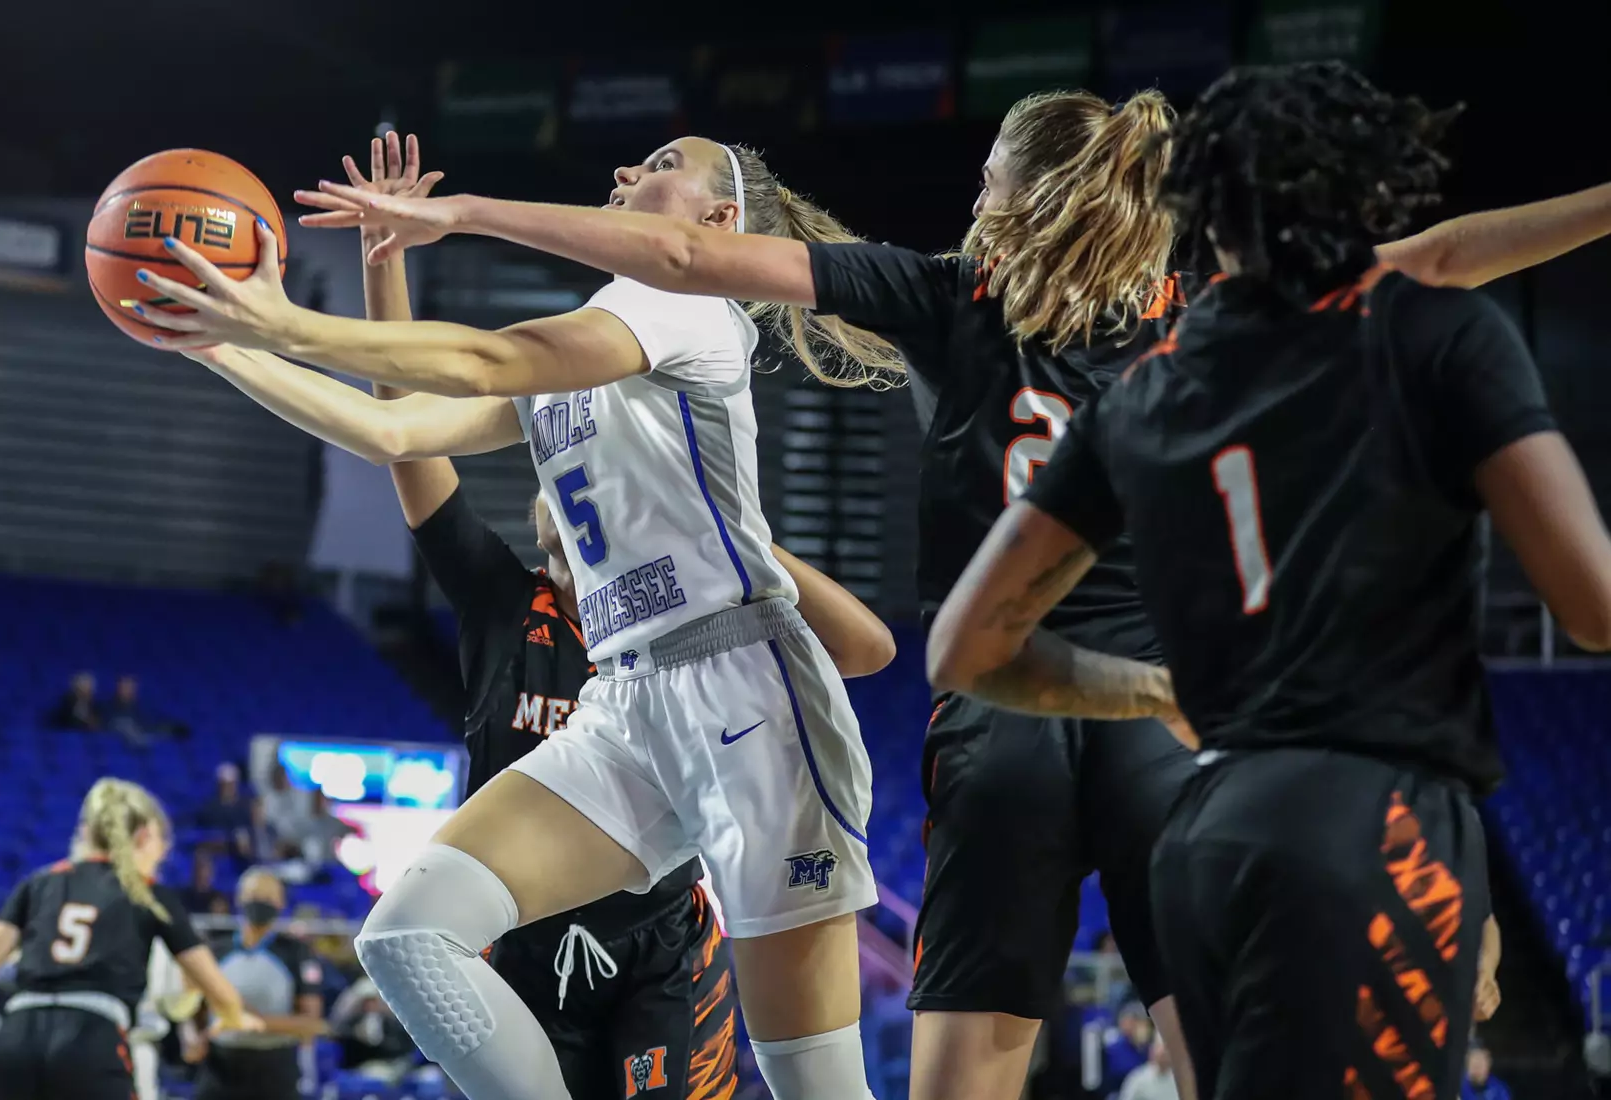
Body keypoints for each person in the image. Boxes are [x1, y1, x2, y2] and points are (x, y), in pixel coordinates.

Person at [301, 87, 1611, 1100]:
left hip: (1000, 711)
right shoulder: (1213, 301)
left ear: (1029, 196)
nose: (973, 197)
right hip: (1166, 716)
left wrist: (463, 214)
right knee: (1214, 1047)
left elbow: (690, 267)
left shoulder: (953, 294)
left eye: (990, 178)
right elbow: (1437, 259)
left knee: (966, 1069)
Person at [141, 131, 892, 1100]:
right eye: (628, 161)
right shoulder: (592, 343)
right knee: (410, 930)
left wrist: (280, 320)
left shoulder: (691, 310)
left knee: (817, 1082)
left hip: (742, 684)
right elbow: (394, 427)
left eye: (661, 162)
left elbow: (480, 358)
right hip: (626, 700)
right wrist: (215, 339)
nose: (625, 170)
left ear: (718, 222)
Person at [922, 62, 1611, 1100]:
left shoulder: (1150, 387)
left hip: (1212, 826)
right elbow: (1593, 609)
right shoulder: (1431, 335)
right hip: (1376, 818)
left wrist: (1151, 693)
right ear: (1367, 192)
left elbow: (965, 647)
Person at [0, 777, 257, 1100]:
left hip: (18, 1035)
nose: (163, 853)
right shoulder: (147, 894)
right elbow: (214, 984)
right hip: (91, 1036)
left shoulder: (39, 883)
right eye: (161, 841)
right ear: (142, 836)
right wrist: (232, 1015)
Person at [180, 868, 327, 1100]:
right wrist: (191, 1039)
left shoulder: (296, 953)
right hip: (220, 1070)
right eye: (254, 895)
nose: (260, 902)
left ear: (281, 903)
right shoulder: (216, 952)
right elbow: (193, 1013)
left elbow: (311, 1024)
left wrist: (253, 1022)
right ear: (239, 898)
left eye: (268, 898)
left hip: (274, 1072)